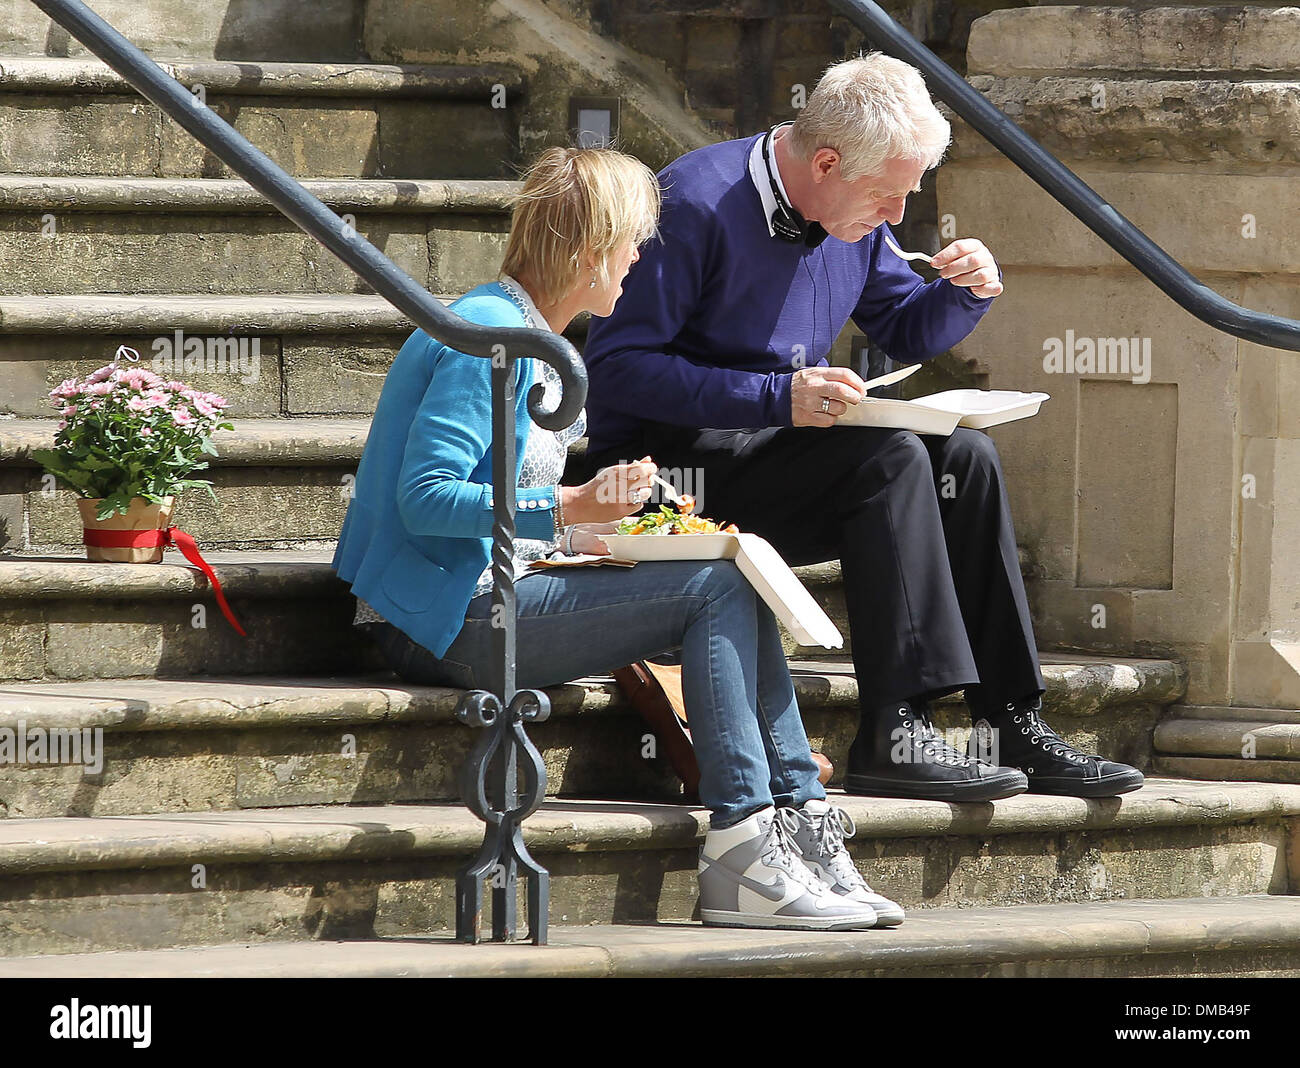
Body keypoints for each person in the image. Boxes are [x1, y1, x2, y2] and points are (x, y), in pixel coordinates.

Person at [331, 145, 903, 930]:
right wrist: (568, 504)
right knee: (720, 584)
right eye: (633, 240)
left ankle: (800, 824)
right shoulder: (493, 341)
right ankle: (746, 847)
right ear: (591, 250)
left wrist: (606, 527)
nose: (640, 256)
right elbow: (426, 500)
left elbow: (512, 514)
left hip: (494, 590)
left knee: (728, 564)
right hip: (437, 620)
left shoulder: (536, 334)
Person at [581, 54, 1145, 802]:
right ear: (826, 162)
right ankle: (894, 728)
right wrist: (776, 396)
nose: (898, 215)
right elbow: (616, 371)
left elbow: (905, 328)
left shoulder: (849, 208)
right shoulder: (691, 202)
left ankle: (1008, 719)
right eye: (889, 196)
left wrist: (965, 293)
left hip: (776, 454)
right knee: (887, 459)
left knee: (966, 457)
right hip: (662, 480)